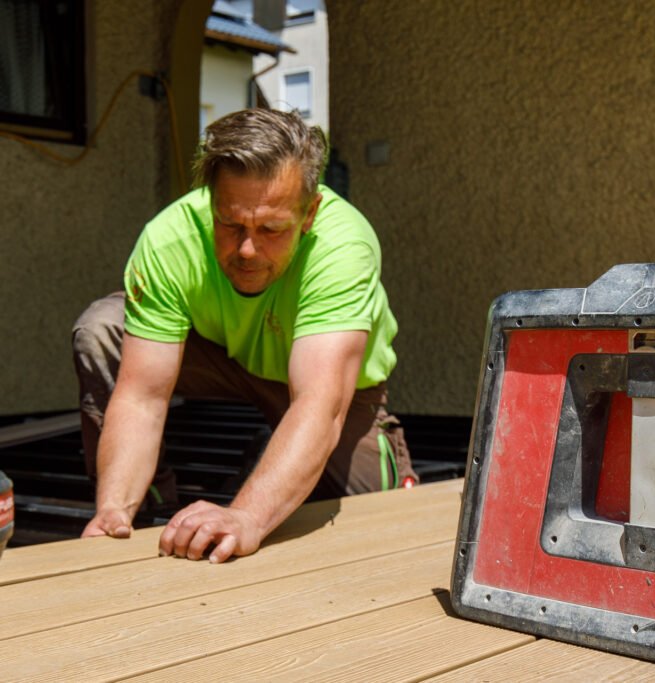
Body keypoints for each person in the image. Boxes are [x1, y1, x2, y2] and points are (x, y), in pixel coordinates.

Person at [72, 108, 416, 563]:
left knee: (381, 527)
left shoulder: (342, 246)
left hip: (326, 389)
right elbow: (142, 397)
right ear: (209, 199)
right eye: (230, 224)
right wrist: (112, 509)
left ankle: (268, 461)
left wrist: (247, 517)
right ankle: (147, 514)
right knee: (103, 329)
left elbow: (320, 405)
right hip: (222, 356)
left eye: (271, 229)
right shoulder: (169, 239)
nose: (248, 249)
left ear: (309, 212)